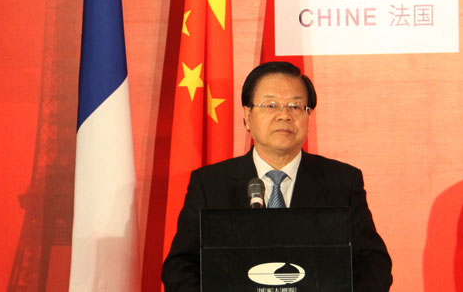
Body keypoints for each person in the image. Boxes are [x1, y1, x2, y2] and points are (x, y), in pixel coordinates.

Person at [162, 61, 393, 292]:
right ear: (247, 116)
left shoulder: (342, 181)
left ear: (308, 116)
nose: (284, 115)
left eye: (296, 106)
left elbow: (373, 263)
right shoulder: (211, 184)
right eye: (271, 105)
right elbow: (180, 265)